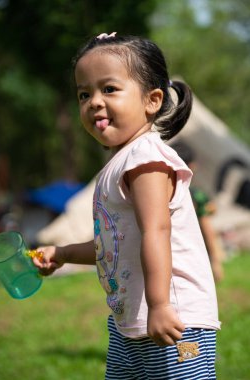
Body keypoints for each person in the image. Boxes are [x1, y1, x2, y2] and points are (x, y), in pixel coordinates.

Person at [33, 33, 220, 379]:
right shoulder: (117, 166)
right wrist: (62, 252)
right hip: (129, 324)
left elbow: (156, 230)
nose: (94, 102)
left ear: (152, 100)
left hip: (174, 321)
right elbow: (113, 246)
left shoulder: (147, 159)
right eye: (84, 94)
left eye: (109, 89)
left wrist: (161, 305)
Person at [170, 141, 225, 283]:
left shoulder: (161, 194)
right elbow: (207, 228)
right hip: (194, 253)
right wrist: (216, 260)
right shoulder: (195, 195)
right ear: (191, 167)